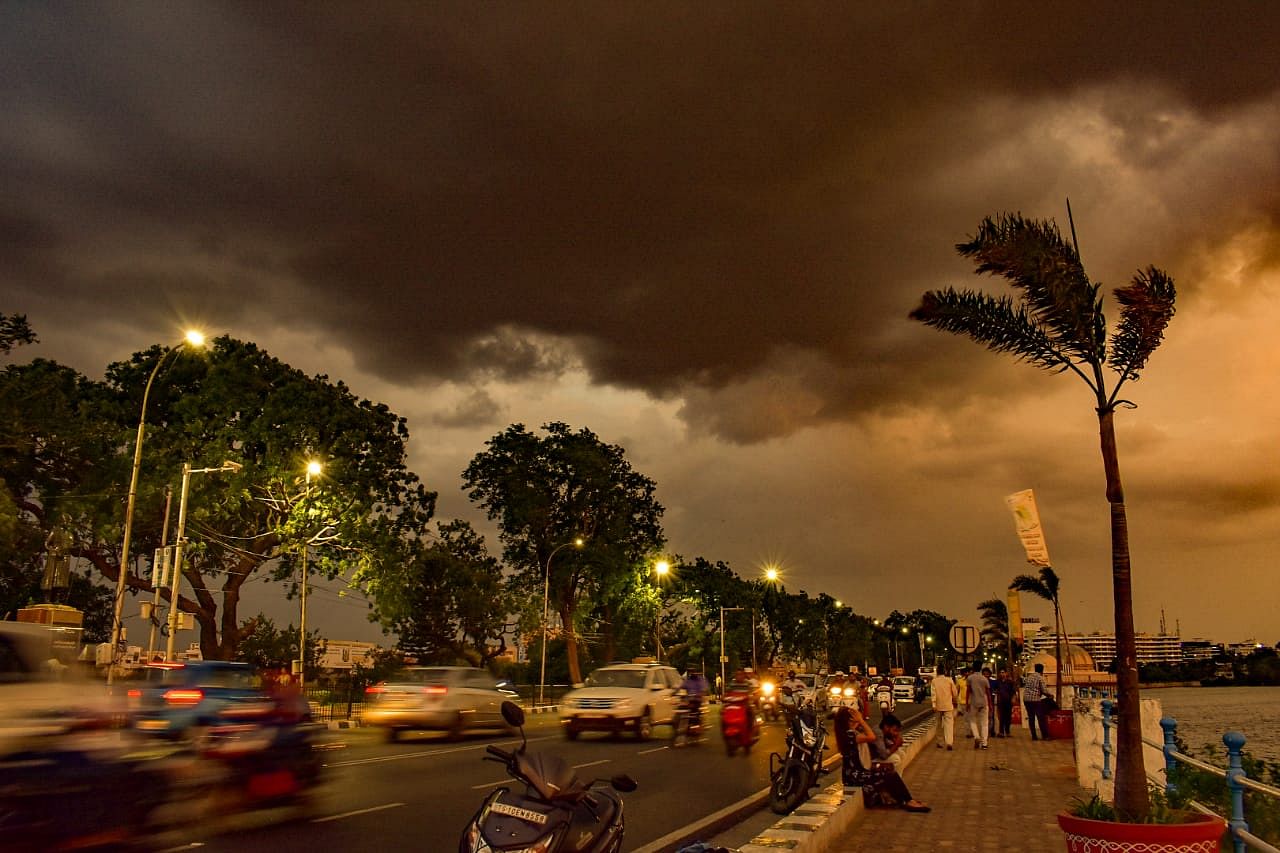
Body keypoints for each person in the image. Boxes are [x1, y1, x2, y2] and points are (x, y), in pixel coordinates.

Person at [834, 704, 930, 812]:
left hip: (856, 772)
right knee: (888, 773)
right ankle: (908, 801)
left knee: (888, 770)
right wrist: (861, 720)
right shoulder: (850, 735)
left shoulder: (849, 733)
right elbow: (871, 737)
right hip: (855, 776)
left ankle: (905, 800)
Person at [930, 665, 958, 750]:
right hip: (948, 705)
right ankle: (949, 742)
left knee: (938, 725)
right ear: (945, 671)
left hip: (938, 706)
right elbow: (955, 693)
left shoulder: (934, 681)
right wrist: (955, 700)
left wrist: (934, 705)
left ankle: (939, 742)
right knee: (949, 725)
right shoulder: (949, 680)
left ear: (937, 672)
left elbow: (933, 694)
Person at [1023, 663, 1051, 740]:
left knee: (1031, 718)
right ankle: (1045, 736)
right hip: (1035, 700)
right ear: (1042, 670)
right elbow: (1044, 690)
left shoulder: (1029, 677)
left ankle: (1034, 736)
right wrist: (1050, 695)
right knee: (1040, 717)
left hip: (1026, 699)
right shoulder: (1040, 678)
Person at [965, 665, 991, 749]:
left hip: (973, 703)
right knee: (984, 724)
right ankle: (984, 744)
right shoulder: (984, 679)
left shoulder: (970, 678)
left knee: (972, 721)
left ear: (973, 669)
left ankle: (976, 737)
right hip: (984, 703)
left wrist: (966, 703)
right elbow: (988, 693)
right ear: (980, 669)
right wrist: (990, 704)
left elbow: (968, 691)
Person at [993, 670, 1016, 737]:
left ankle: (1008, 731)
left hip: (1008, 701)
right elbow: (994, 690)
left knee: (1008, 717)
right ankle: (1001, 732)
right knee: (1001, 717)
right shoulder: (997, 682)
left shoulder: (1010, 682)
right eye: (1000, 672)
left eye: (1003, 672)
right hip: (1000, 702)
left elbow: (1013, 691)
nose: (1001, 674)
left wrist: (1013, 698)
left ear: (1006, 673)